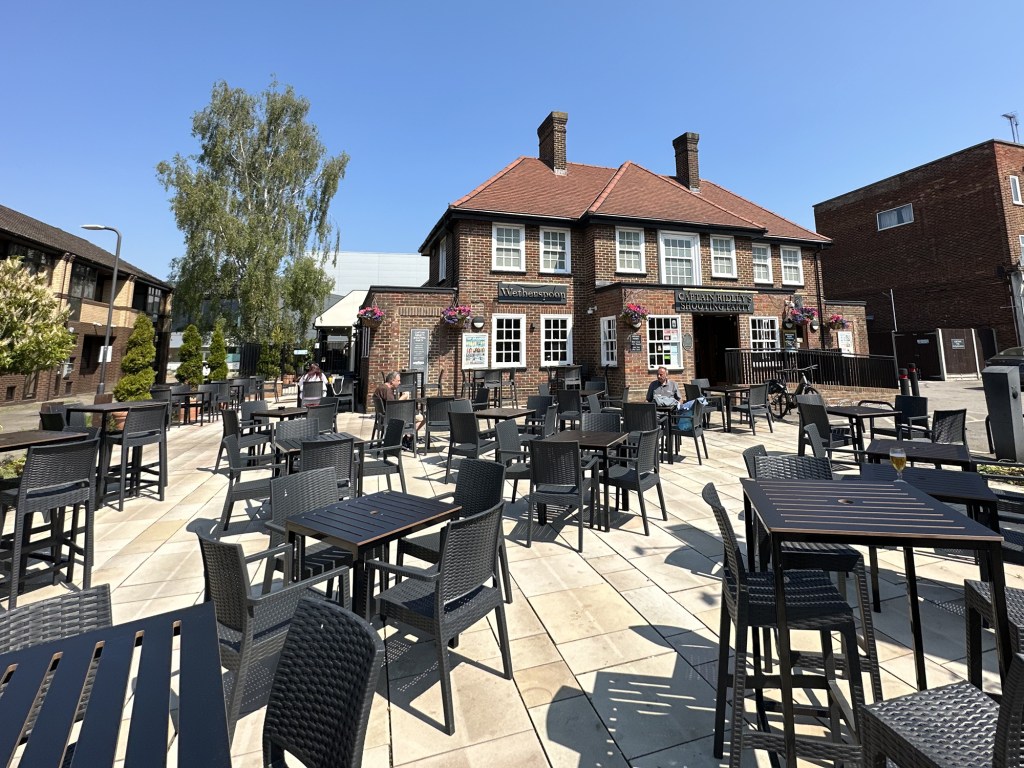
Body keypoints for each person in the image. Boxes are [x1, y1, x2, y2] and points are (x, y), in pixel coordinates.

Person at [374, 371, 424, 449]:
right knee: (421, 418)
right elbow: (393, 408)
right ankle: (407, 438)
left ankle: (405, 439)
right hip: (391, 419)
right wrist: (403, 398)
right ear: (392, 381)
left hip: (383, 417)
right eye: (398, 381)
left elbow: (390, 405)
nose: (400, 383)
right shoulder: (387, 391)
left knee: (417, 415)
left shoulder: (381, 387)